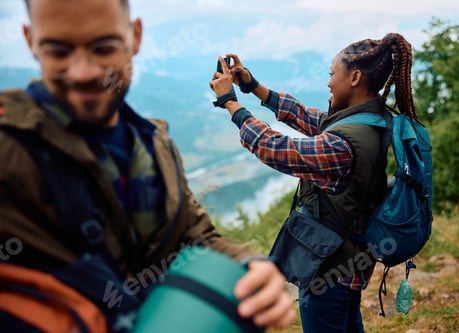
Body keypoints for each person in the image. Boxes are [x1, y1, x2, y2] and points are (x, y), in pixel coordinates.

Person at [0, 0, 296, 332]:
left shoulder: (154, 144)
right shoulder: (9, 148)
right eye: (58, 51)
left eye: (103, 47)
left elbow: (192, 238)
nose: (83, 72)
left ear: (135, 36)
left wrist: (250, 265)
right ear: (29, 40)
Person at [209, 33, 420, 332]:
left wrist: (229, 102)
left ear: (355, 77)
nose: (328, 82)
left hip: (329, 271)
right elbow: (307, 117)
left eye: (332, 74)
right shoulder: (373, 119)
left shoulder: (343, 144)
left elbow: (276, 149)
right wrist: (252, 86)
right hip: (351, 263)